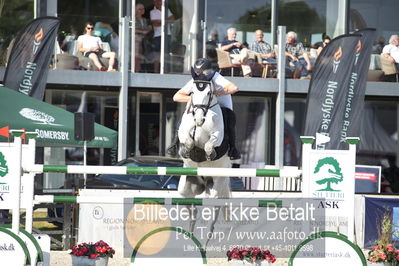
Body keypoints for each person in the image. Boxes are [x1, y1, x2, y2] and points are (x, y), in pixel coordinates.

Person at [168, 58, 241, 160]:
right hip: (202, 103)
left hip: (221, 101)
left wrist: (216, 94)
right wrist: (195, 99)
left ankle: (233, 149)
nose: (199, 74)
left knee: (230, 116)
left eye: (201, 71)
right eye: (198, 72)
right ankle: (175, 143)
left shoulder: (216, 77)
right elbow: (176, 97)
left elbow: (234, 88)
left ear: (208, 71)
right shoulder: (195, 80)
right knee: (187, 112)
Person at [150, 0, 175, 73]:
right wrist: (166, 21)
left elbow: (173, 19)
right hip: (157, 35)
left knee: (166, 53)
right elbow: (155, 24)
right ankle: (156, 71)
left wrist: (161, 21)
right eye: (156, 2)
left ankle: (165, 71)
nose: (157, 3)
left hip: (167, 35)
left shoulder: (166, 10)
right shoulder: (152, 12)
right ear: (154, 3)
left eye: (159, 1)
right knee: (157, 54)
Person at [135, 3, 152, 72]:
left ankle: (138, 70)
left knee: (140, 57)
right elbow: (133, 29)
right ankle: (135, 70)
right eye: (140, 9)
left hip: (143, 40)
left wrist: (149, 29)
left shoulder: (145, 20)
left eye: (143, 9)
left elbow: (147, 29)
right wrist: (143, 32)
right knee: (136, 56)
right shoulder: (133, 19)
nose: (142, 10)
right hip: (136, 40)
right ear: (136, 10)